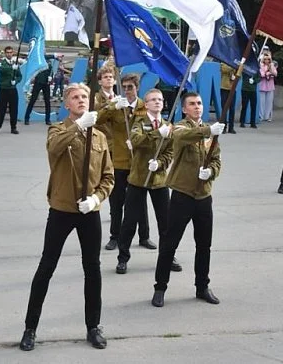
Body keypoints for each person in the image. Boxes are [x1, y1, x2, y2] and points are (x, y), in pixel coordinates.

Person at [19, 83, 114, 351]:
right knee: (46, 267)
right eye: (75, 97)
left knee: (92, 269)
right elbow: (54, 148)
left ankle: (93, 326)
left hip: (88, 212)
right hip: (62, 208)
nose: (81, 100)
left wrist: (96, 199)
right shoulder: (59, 130)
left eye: (84, 96)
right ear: (66, 104)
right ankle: (30, 328)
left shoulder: (100, 138)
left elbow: (108, 176)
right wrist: (79, 125)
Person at [152, 92, 224, 308]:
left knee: (204, 245)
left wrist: (211, 171)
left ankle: (202, 286)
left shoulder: (211, 132)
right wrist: (207, 131)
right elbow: (182, 138)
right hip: (182, 195)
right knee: (169, 244)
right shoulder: (181, 127)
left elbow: (217, 160)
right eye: (192, 104)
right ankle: (160, 287)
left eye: (200, 103)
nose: (197, 107)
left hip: (203, 196)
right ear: (184, 109)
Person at [116, 89, 182, 274]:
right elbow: (135, 140)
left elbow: (171, 152)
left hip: (159, 180)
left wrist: (160, 163)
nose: (157, 102)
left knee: (166, 223)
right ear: (146, 104)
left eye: (160, 99)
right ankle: (123, 258)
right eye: (153, 100)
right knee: (129, 221)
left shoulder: (168, 125)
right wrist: (156, 134)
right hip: (138, 178)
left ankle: (168, 256)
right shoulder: (139, 121)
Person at [96, 73, 152, 251]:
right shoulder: (115, 106)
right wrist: (112, 107)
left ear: (137, 88)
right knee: (116, 201)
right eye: (124, 87)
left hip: (139, 161)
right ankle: (115, 236)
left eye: (131, 87)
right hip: (119, 161)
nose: (127, 90)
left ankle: (144, 236)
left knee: (140, 202)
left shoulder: (145, 107)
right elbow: (97, 119)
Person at [0, 46, 22, 135]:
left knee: (14, 109)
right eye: (7, 52)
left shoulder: (15, 64)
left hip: (13, 90)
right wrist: (11, 68)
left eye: (10, 52)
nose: (9, 54)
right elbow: (2, 70)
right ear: (5, 53)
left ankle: (13, 128)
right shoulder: (1, 63)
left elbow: (19, 76)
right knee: (1, 109)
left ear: (13, 53)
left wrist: (16, 81)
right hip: (3, 89)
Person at [25, 58, 53, 126]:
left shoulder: (49, 64)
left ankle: (48, 119)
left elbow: (51, 72)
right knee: (33, 100)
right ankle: (26, 118)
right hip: (38, 82)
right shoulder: (38, 63)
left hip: (46, 84)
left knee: (47, 102)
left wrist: (51, 77)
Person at [219, 63, 238, 134]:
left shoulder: (236, 64)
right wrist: (234, 66)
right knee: (224, 108)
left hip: (232, 88)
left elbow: (239, 74)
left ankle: (231, 127)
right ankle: (223, 127)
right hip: (224, 88)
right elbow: (224, 69)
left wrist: (235, 74)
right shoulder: (224, 62)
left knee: (232, 109)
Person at [258, 54, 277, 122]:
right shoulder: (260, 66)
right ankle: (261, 116)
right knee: (262, 102)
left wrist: (271, 69)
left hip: (270, 86)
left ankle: (268, 116)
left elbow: (275, 73)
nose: (267, 60)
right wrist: (266, 73)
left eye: (268, 59)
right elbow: (261, 74)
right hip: (262, 85)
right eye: (265, 59)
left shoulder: (272, 66)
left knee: (269, 102)